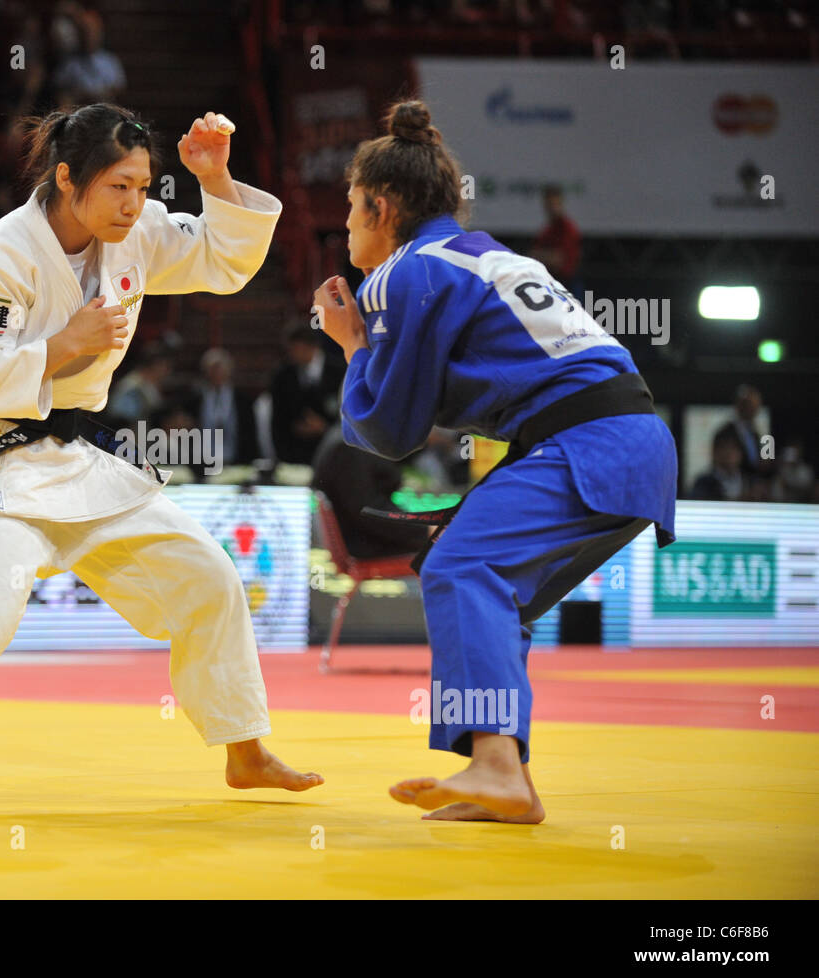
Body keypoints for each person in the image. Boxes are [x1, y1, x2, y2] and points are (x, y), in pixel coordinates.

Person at [0, 102, 322, 812]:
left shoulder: (136, 234)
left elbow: (221, 262)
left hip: (77, 458)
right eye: (118, 186)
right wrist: (64, 345)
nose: (134, 203)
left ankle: (245, 750)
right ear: (65, 178)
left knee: (207, 576)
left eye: (144, 187)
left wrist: (216, 175)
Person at [314, 99, 676, 824]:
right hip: (631, 440)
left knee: (462, 568)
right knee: (482, 580)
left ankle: (495, 766)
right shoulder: (487, 255)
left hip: (587, 440)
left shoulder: (405, 272)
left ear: (383, 208)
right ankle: (507, 777)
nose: (345, 223)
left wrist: (351, 345)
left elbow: (388, 431)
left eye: (352, 207)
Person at [312, 423, 429, 560]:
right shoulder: (349, 446)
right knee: (448, 550)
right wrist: (424, 531)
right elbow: (368, 511)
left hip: (370, 534)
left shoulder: (354, 437)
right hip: (366, 544)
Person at [269, 324, 343, 465]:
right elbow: (277, 422)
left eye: (294, 348)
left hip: (334, 455)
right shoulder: (282, 376)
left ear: (310, 347)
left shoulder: (339, 372)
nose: (291, 354)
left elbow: (349, 416)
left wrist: (325, 428)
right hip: (295, 456)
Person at [690, 425, 745, 500]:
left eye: (733, 448)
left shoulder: (749, 482)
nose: (728, 453)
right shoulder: (703, 484)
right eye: (724, 448)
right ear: (714, 451)